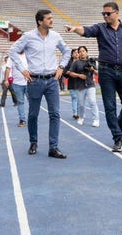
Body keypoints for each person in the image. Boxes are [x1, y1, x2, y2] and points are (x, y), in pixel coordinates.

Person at [65, 1, 122, 153]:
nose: (105, 16)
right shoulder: (100, 28)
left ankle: (120, 125)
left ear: (117, 13)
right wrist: (74, 29)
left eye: (108, 13)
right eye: (103, 14)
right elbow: (85, 30)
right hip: (106, 71)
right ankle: (118, 137)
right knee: (109, 106)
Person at [9, 9, 70, 159]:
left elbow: (67, 51)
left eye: (51, 18)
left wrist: (61, 67)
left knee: (55, 114)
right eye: (49, 18)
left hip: (52, 81)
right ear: (40, 21)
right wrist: (22, 69)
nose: (51, 21)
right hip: (34, 80)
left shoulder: (55, 36)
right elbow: (13, 51)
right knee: (33, 114)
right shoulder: (28, 37)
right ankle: (33, 142)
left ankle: (53, 147)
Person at [68, 45, 100, 127]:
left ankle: (96, 119)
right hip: (79, 86)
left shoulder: (91, 61)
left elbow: (97, 73)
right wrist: (79, 75)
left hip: (90, 85)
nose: (82, 53)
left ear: (87, 52)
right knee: (81, 104)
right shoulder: (76, 63)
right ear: (78, 54)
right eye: (80, 52)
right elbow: (70, 73)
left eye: (83, 51)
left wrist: (92, 70)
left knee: (93, 102)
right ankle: (81, 117)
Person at [65, 49, 80, 120]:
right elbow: (65, 72)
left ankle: (78, 112)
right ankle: (75, 113)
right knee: (75, 98)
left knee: (80, 99)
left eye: (78, 52)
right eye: (75, 53)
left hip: (80, 84)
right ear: (72, 55)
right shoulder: (69, 63)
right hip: (72, 84)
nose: (77, 54)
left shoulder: (82, 62)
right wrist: (69, 72)